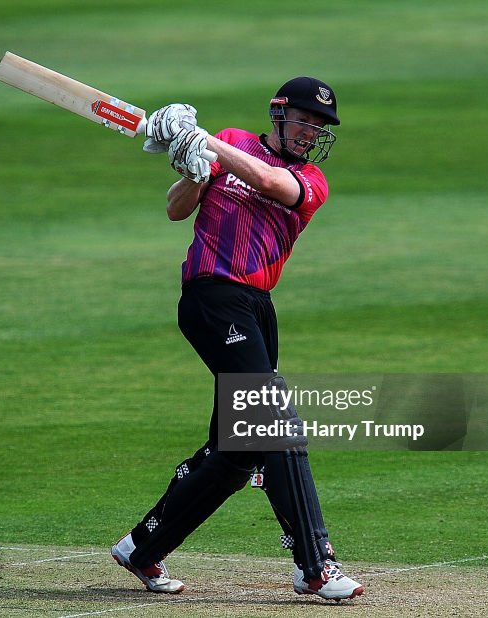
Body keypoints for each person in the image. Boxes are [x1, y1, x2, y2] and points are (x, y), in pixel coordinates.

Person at [109, 77, 364, 601]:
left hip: (257, 308)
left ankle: (143, 547)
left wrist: (202, 141)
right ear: (278, 115)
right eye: (303, 121)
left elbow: (272, 185)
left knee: (239, 447)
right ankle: (315, 564)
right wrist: (196, 172)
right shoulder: (233, 142)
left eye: (318, 128)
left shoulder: (311, 180)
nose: (309, 133)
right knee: (274, 420)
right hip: (212, 297)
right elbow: (176, 209)